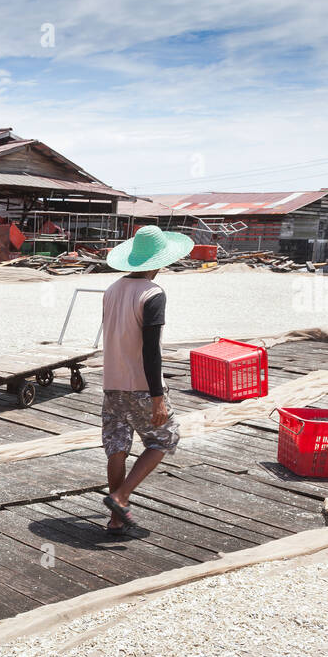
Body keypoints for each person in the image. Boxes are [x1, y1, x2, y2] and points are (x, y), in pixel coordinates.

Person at [99, 225, 193, 534]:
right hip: (141, 384)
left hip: (112, 381)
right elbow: (151, 352)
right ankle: (121, 497)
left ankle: (115, 518)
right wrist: (157, 398)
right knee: (164, 438)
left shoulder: (112, 290)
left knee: (117, 444)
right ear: (157, 261)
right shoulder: (153, 294)